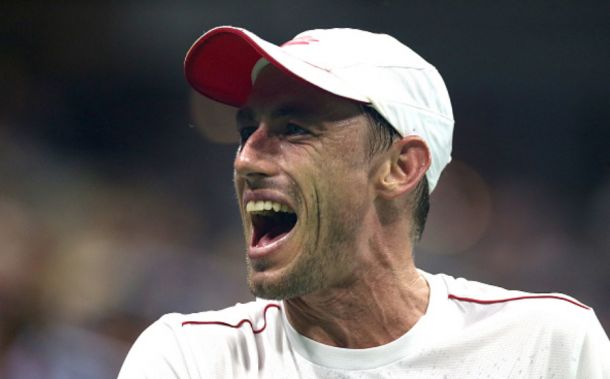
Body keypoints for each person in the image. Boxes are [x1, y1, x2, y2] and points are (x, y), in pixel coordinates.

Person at [118, 26, 610, 378]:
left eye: (294, 128)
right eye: (248, 129)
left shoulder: (549, 347)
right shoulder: (187, 360)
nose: (246, 158)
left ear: (400, 168)